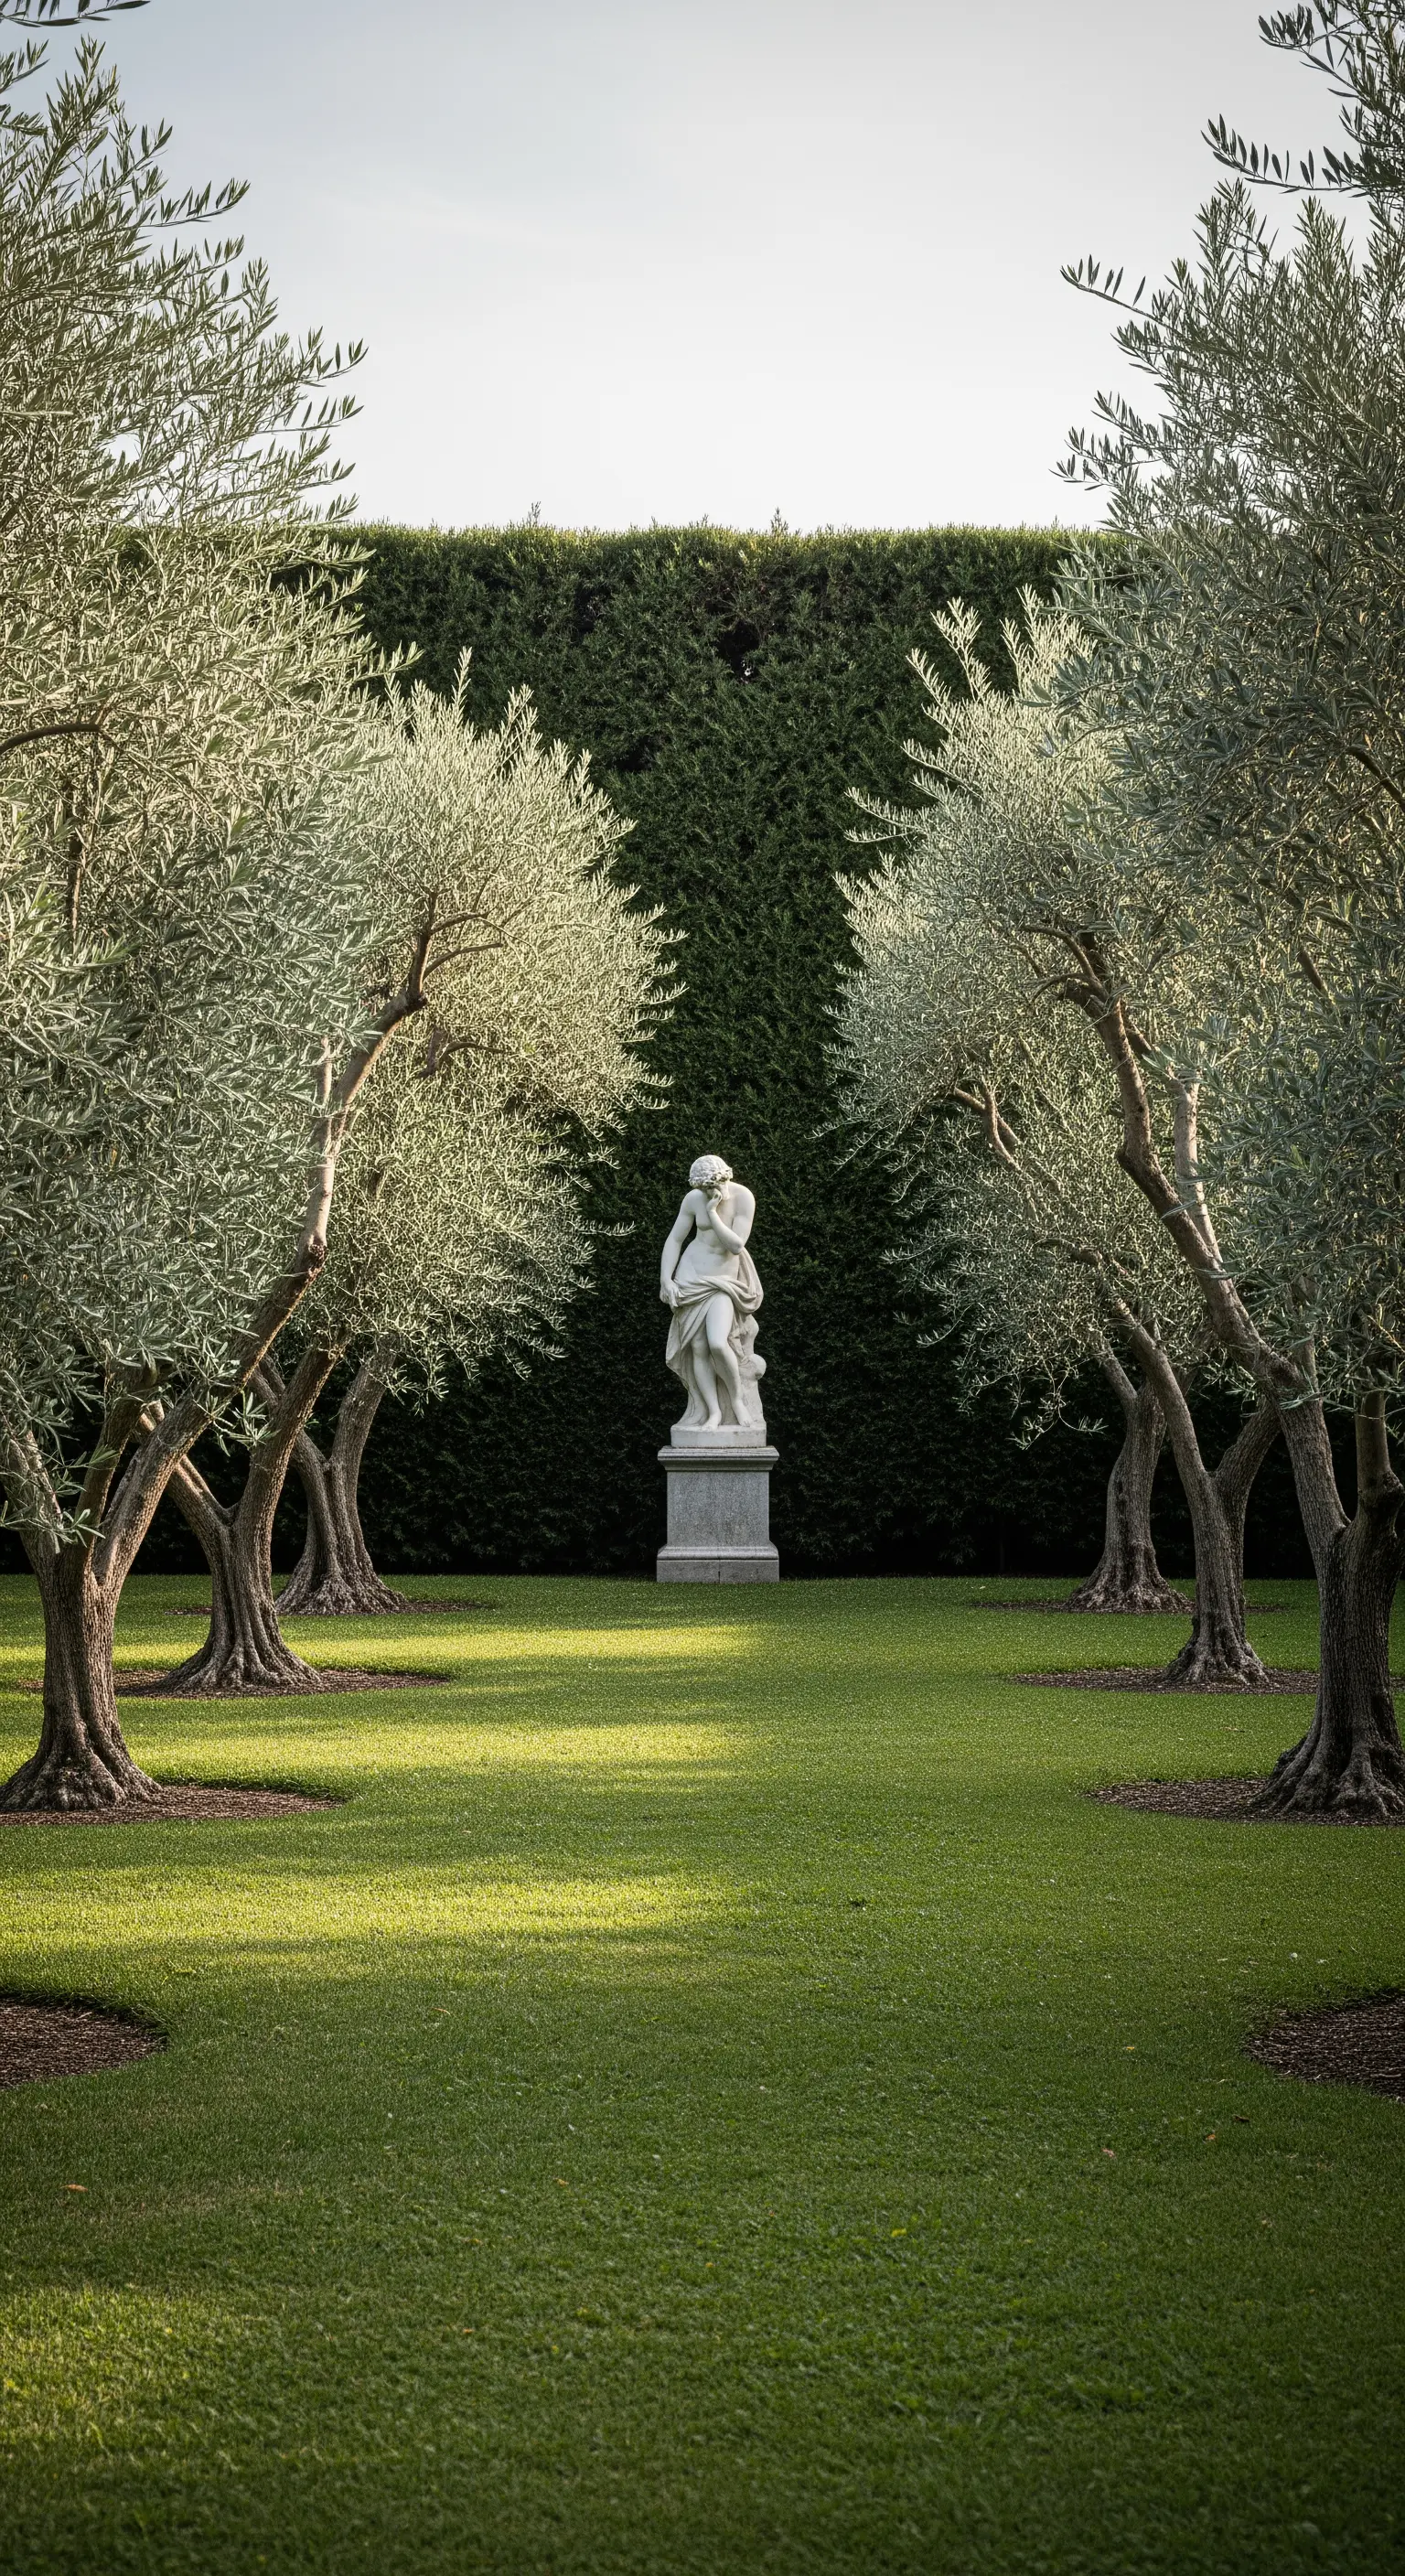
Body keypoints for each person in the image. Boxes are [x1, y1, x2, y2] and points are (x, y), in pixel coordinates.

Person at [660, 1154, 766, 1432]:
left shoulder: (743, 1198)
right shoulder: (693, 1199)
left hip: (722, 1281)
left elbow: (735, 1245)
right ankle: (714, 1412)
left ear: (725, 1177)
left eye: (714, 1186)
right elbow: (675, 1239)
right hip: (690, 1277)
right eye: (704, 1189)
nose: (709, 1192)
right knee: (698, 1348)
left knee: (718, 1343)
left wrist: (714, 1212)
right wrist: (665, 1280)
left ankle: (737, 1400)